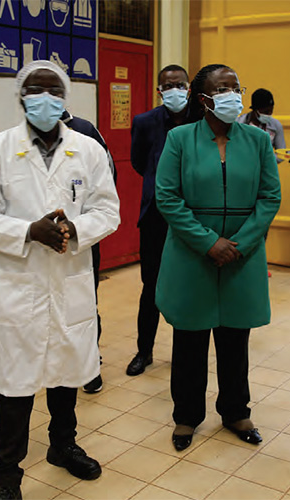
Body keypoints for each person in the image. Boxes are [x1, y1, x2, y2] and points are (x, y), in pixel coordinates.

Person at [0, 60, 120, 500]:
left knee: (66, 371)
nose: (45, 98)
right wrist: (28, 231)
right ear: (21, 97)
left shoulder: (87, 150)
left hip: (69, 275)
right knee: (15, 384)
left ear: (65, 98)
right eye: (35, 90)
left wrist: (74, 230)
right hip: (22, 280)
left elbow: (109, 211)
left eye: (54, 90)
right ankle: (7, 474)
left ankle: (62, 446)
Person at [156, 64, 282, 451]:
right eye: (222, 89)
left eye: (235, 87)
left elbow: (269, 197)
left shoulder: (258, 140)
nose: (232, 94)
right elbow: (167, 197)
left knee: (234, 339)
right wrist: (209, 242)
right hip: (193, 254)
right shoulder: (179, 138)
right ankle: (186, 417)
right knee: (189, 341)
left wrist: (239, 243)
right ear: (203, 98)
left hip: (242, 256)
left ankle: (235, 411)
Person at [126, 64, 191, 377]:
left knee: (189, 287)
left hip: (193, 218)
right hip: (155, 216)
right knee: (150, 287)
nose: (174, 90)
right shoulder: (145, 122)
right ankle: (144, 351)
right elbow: (139, 162)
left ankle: (186, 352)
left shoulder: (201, 119)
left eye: (179, 84)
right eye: (167, 86)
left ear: (189, 87)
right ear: (159, 90)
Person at [59, 109, 116, 394]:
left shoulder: (85, 130)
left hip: (81, 239)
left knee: (84, 302)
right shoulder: (17, 139)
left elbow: (107, 180)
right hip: (41, 243)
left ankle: (90, 362)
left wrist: (84, 224)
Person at [237, 88, 285, 153]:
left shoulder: (276, 126)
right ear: (255, 110)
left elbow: (281, 152)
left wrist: (266, 159)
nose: (269, 114)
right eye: (266, 112)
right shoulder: (238, 124)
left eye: (271, 111)